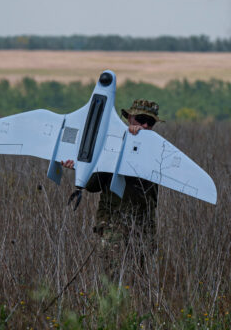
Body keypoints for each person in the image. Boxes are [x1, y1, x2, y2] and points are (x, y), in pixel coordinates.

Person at [61, 99, 163, 278]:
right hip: (112, 223)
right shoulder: (113, 143)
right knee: (112, 277)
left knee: (140, 278)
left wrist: (136, 143)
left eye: (150, 122)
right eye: (140, 119)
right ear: (129, 118)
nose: (145, 125)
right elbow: (94, 186)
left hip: (142, 225)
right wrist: (81, 169)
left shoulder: (158, 149)